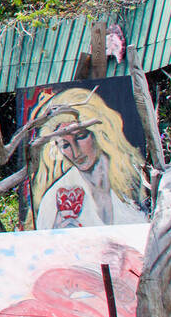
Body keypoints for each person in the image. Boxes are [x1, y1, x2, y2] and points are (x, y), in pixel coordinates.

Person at [30, 86, 149, 228]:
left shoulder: (134, 178)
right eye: (65, 145)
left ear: (98, 133)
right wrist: (57, 234)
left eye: (80, 137)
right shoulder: (54, 199)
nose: (76, 153)